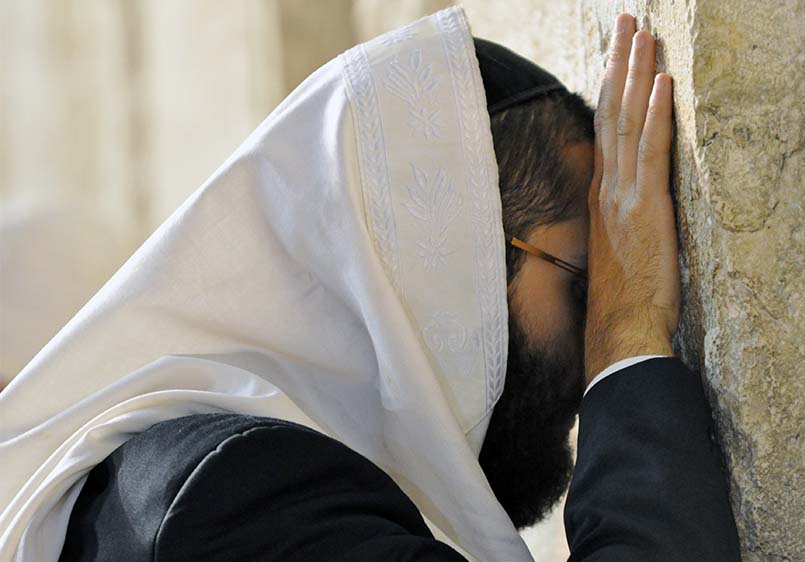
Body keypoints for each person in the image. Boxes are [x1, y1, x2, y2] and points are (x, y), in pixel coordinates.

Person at [0, 8, 739, 561]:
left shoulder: (181, 488)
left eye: (611, 284)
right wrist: (631, 330)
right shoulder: (242, 505)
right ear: (447, 279)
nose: (591, 341)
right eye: (585, 283)